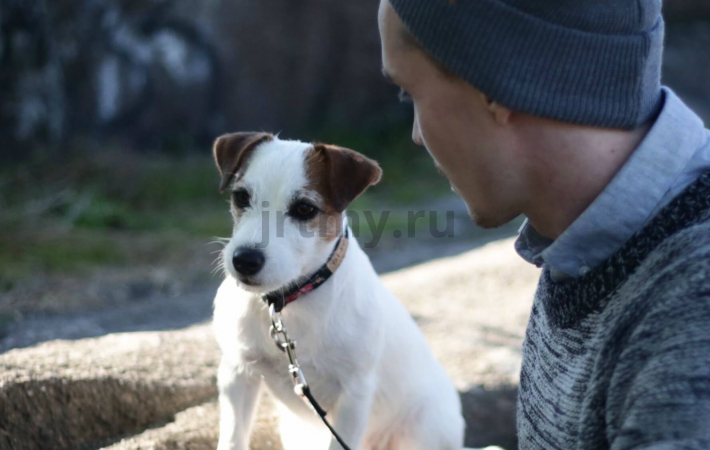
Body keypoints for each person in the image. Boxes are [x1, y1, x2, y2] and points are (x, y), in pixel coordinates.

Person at [378, 0, 710, 449]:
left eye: (409, 92)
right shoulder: (583, 235)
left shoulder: (693, 315)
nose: (417, 135)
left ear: (493, 84)